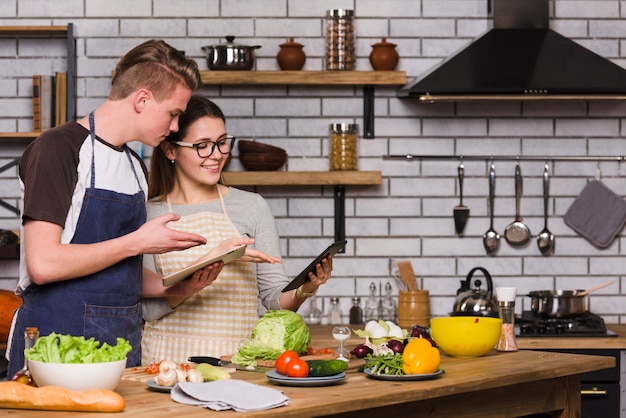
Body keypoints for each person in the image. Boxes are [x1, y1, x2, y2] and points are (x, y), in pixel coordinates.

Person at [6, 40, 269, 378]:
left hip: (121, 342)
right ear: (143, 99)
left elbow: (119, 274)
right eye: (174, 113)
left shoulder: (135, 167)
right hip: (55, 339)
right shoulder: (58, 149)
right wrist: (139, 242)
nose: (175, 127)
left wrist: (185, 284)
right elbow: (43, 265)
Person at [141, 95, 333, 364]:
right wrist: (199, 275)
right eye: (202, 146)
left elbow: (273, 299)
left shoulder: (251, 207)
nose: (217, 155)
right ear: (170, 150)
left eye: (221, 143)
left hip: (235, 361)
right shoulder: (148, 213)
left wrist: (306, 288)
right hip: (166, 365)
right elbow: (149, 310)